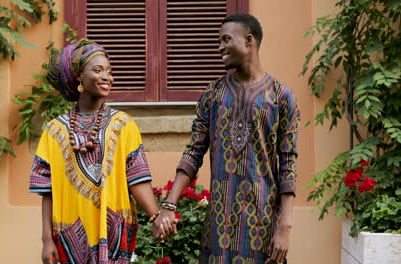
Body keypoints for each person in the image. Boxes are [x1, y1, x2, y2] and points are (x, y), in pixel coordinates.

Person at [154, 13, 300, 264]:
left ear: (249, 40)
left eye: (226, 39)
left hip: (263, 227)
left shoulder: (281, 97)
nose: (219, 46)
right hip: (218, 230)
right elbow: (194, 153)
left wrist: (285, 227)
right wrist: (168, 205)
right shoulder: (213, 94)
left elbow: (288, 163)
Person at [29, 39, 170, 264]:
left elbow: (136, 177)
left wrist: (156, 216)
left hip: (115, 232)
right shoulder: (54, 130)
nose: (107, 77)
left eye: (109, 71)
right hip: (68, 234)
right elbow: (48, 191)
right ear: (79, 78)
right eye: (98, 70)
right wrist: (46, 239)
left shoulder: (123, 124)